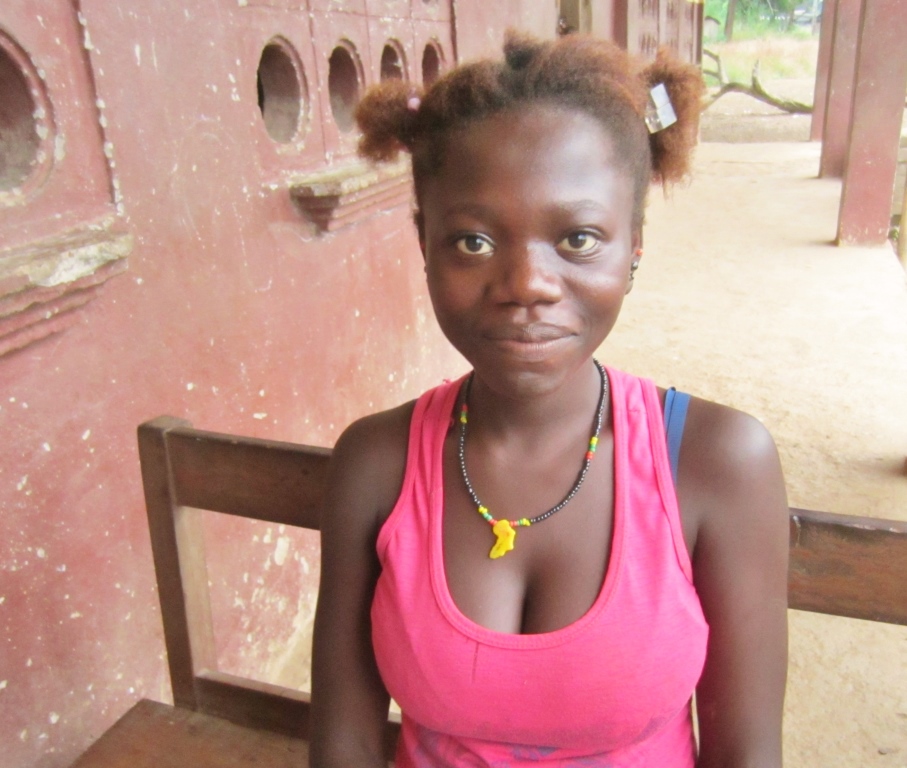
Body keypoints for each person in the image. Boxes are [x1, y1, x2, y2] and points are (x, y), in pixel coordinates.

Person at [310, 32, 789, 768]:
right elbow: (341, 746)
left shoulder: (715, 463)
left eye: (578, 239)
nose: (526, 284)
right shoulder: (375, 464)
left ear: (633, 244)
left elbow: (746, 756)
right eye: (472, 242)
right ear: (424, 241)